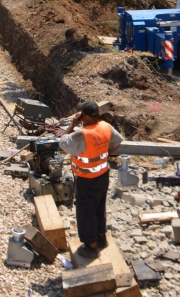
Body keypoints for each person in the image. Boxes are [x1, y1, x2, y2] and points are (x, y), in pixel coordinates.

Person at [57, 101, 124, 258]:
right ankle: (101, 238)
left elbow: (62, 142)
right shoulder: (106, 126)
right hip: (103, 175)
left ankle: (91, 247)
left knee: (86, 211)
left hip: (87, 179)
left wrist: (72, 124)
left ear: (83, 115)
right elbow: (118, 140)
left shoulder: (82, 134)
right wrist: (105, 152)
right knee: (99, 207)